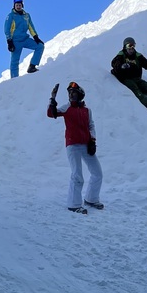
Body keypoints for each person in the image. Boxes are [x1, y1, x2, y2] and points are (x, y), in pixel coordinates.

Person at [47, 82, 101, 214]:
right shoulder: (67, 108)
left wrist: (92, 141)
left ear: (80, 95)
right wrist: (52, 99)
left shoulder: (87, 111)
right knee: (77, 175)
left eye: (74, 93)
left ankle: (91, 199)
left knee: (97, 173)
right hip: (73, 146)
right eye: (70, 93)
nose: (71, 95)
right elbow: (51, 113)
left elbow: (91, 126)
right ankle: (73, 204)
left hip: (86, 144)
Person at [110, 37, 147, 110]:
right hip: (126, 79)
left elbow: (146, 63)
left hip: (137, 78)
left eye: (133, 46)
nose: (131, 49)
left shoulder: (137, 56)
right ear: (125, 46)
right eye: (129, 46)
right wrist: (122, 66)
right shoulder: (121, 55)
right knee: (136, 89)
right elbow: (114, 63)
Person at [3, 0, 45, 77]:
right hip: (15, 41)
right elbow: (6, 29)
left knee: (40, 46)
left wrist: (36, 37)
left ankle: (32, 66)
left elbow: (31, 27)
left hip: (25, 39)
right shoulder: (11, 16)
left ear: (22, 5)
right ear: (14, 6)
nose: (18, 6)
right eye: (16, 5)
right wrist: (9, 41)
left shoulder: (26, 16)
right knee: (15, 61)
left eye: (19, 5)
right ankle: (14, 79)